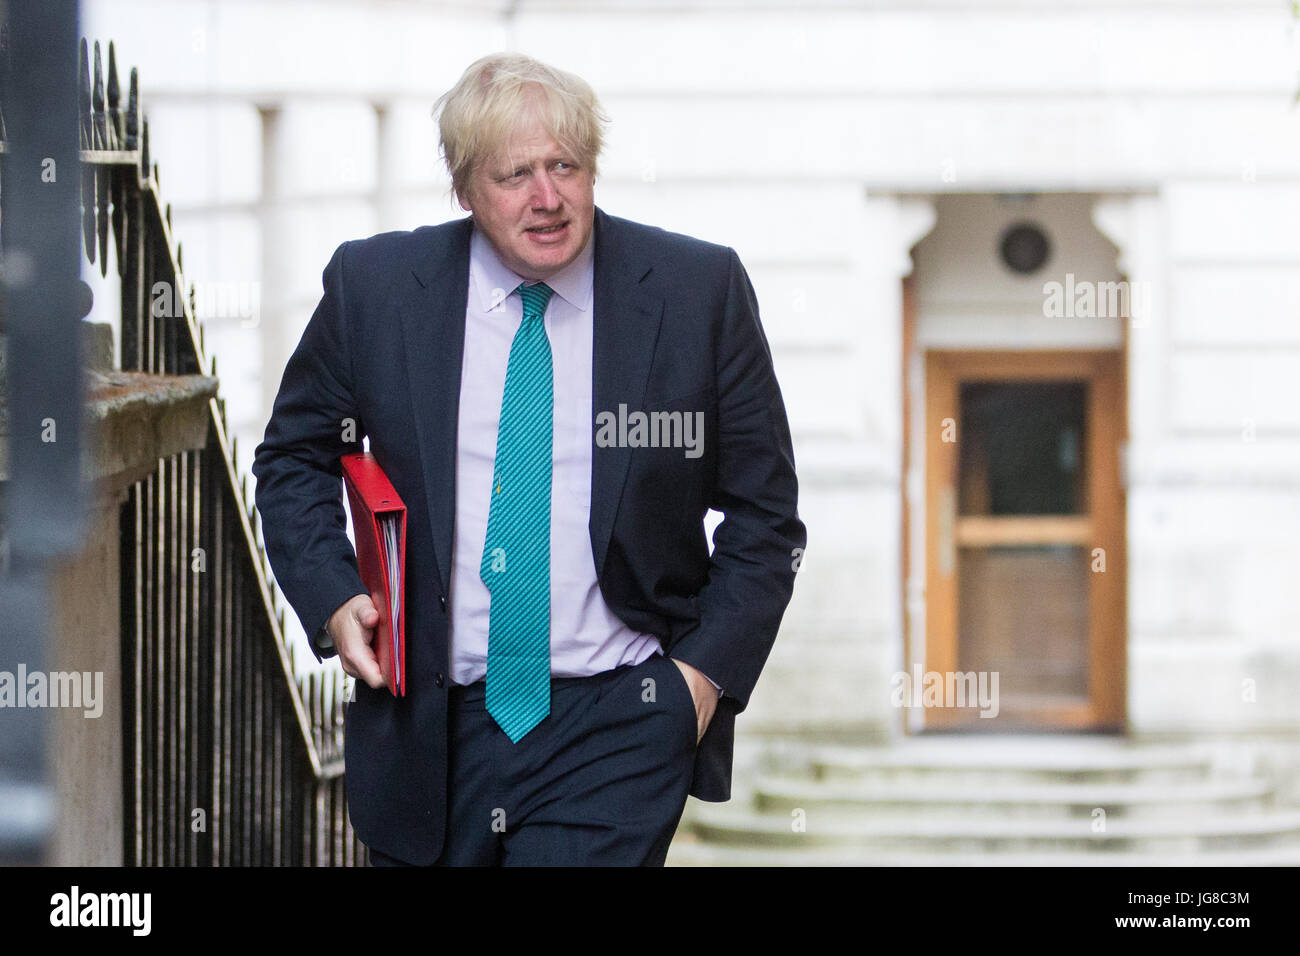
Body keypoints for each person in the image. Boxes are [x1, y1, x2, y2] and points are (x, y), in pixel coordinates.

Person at [251, 51, 804, 866]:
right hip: (431, 726)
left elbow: (765, 517)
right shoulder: (376, 288)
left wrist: (696, 683)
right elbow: (294, 457)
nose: (547, 199)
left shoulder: (696, 291)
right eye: (515, 176)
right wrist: (334, 598)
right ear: (465, 187)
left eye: (565, 168)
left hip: (618, 721)